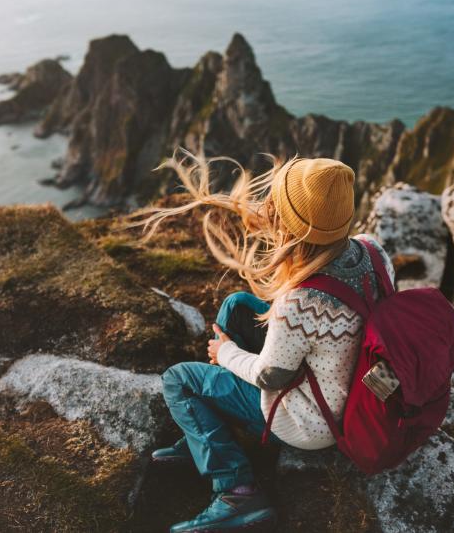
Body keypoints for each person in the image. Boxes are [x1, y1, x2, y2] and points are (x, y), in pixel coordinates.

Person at [135, 153, 395, 533]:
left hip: (311, 422)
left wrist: (225, 354)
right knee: (238, 305)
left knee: (179, 380)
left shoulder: (303, 302)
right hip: (348, 384)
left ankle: (236, 490)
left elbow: (270, 376)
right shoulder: (372, 250)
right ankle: (204, 435)